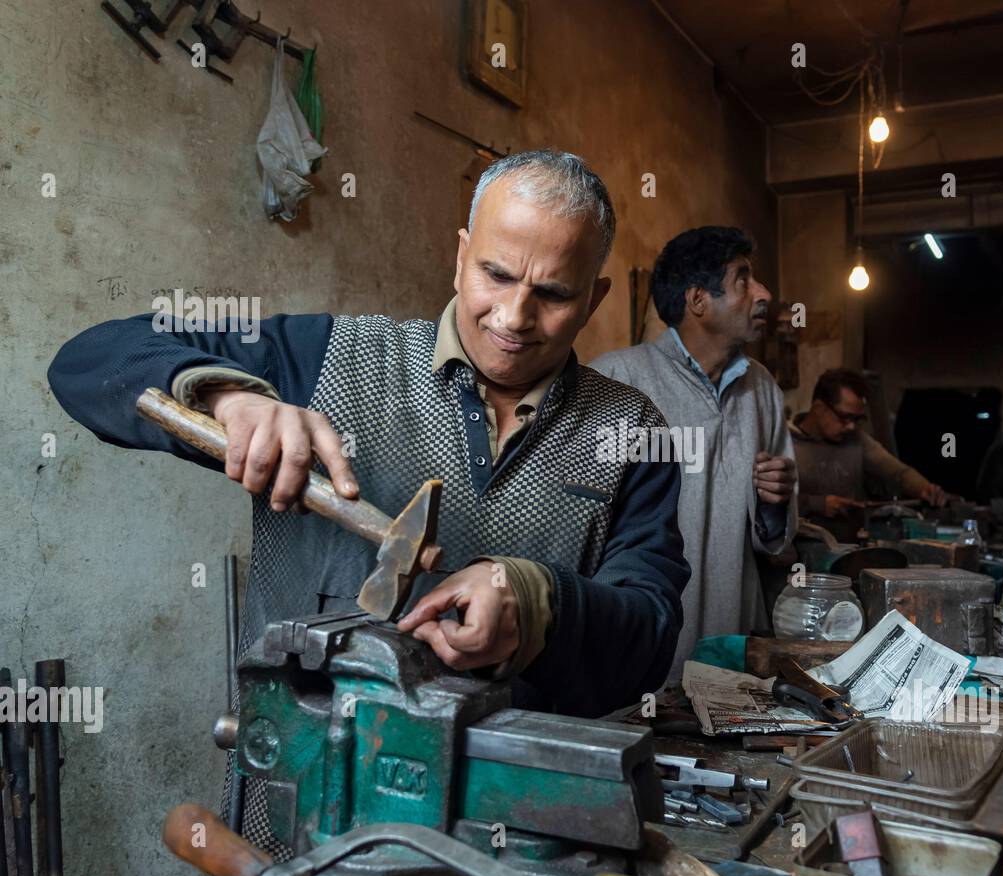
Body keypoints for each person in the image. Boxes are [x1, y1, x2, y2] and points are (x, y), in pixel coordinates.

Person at [48, 150, 689, 719]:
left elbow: (650, 641)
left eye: (551, 292)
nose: (514, 316)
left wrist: (539, 604)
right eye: (495, 275)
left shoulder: (629, 431)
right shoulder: (327, 357)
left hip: (516, 823)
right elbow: (85, 362)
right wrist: (225, 393)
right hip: (301, 802)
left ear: (594, 298)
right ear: (461, 255)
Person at [591, 227, 796, 680]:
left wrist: (775, 504)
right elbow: (584, 529)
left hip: (733, 641)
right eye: (744, 278)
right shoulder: (617, 380)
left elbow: (775, 542)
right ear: (698, 300)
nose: (764, 293)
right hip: (641, 644)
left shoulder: (761, 388)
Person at [792, 368, 946, 543]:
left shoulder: (856, 440)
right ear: (819, 408)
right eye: (845, 417)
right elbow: (765, 502)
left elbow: (897, 473)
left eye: (857, 419)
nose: (851, 427)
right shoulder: (786, 442)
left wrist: (924, 488)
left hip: (847, 549)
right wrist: (817, 504)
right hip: (799, 549)